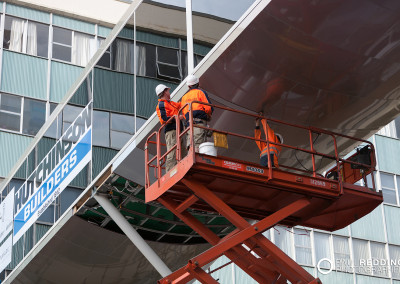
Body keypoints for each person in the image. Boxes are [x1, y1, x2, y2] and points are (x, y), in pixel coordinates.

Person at [155, 84, 186, 172]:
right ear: (164, 91)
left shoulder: (170, 103)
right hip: (171, 132)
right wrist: (177, 117)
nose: (169, 92)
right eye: (168, 90)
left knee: (183, 152)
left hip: (177, 131)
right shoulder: (161, 104)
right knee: (172, 154)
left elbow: (180, 105)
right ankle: (170, 173)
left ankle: (183, 170)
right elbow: (164, 119)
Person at [181, 75, 213, 152]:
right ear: (198, 83)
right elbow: (209, 108)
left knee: (191, 145)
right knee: (199, 147)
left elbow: (184, 113)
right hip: (199, 124)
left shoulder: (184, 97)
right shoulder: (200, 92)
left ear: (189, 86)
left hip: (189, 125)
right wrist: (208, 116)